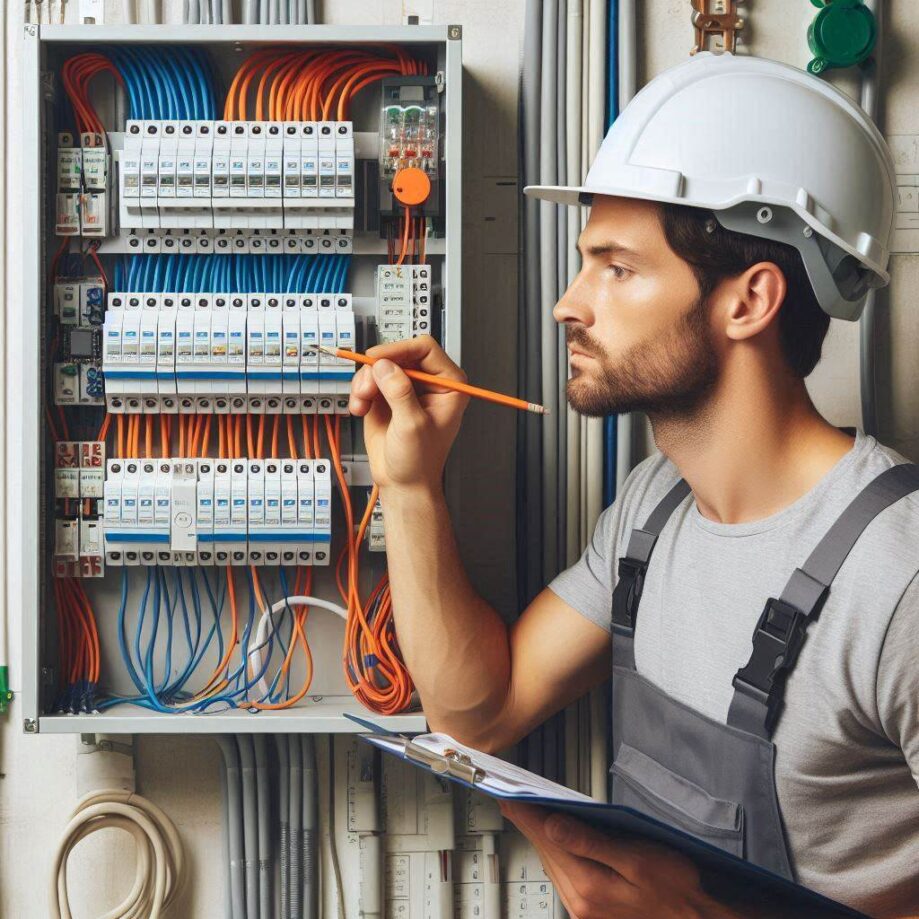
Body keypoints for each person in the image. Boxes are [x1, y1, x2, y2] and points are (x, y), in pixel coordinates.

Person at [349, 54, 919, 919]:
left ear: (749, 300)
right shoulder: (653, 511)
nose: (567, 305)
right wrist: (412, 482)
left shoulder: (898, 577)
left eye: (616, 268)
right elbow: (480, 710)